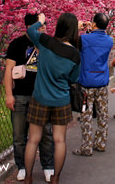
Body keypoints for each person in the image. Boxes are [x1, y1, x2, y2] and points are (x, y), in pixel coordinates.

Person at [24, 13, 81, 184]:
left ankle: (28, 177)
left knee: (33, 139)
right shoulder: (74, 54)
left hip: (40, 97)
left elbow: (30, 30)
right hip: (61, 100)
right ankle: (55, 178)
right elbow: (73, 79)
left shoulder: (45, 41)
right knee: (59, 140)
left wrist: (40, 21)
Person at [4, 14, 54, 182]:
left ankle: (48, 166)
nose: (44, 28)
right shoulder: (16, 44)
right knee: (19, 135)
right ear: (31, 27)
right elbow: (8, 72)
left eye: (45, 24)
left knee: (46, 132)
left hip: (41, 96)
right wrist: (9, 95)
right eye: (40, 25)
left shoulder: (46, 43)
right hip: (20, 96)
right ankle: (23, 167)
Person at [73, 13, 114, 156]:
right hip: (102, 82)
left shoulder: (83, 39)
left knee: (86, 115)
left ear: (94, 23)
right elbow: (96, 44)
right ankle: (101, 143)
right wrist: (91, 30)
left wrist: (78, 28)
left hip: (86, 83)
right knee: (103, 114)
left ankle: (86, 147)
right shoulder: (109, 40)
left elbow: (73, 43)